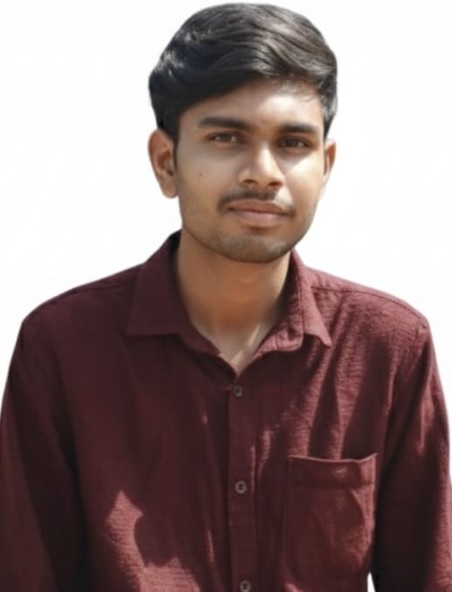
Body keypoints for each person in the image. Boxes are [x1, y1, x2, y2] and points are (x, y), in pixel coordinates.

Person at [0, 3, 451, 591]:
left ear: (326, 165)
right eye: (226, 137)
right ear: (166, 162)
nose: (263, 171)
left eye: (293, 142)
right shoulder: (63, 349)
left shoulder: (388, 348)